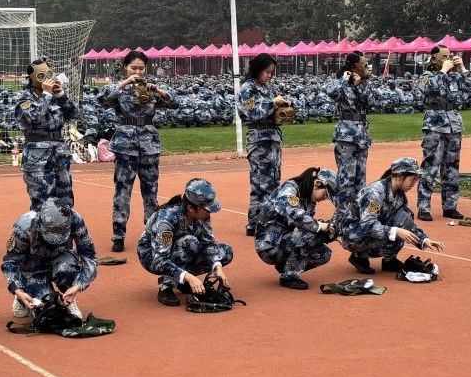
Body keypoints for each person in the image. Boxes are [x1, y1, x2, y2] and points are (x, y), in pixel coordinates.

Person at [98, 50, 180, 252]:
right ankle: (118, 235)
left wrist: (158, 90)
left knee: (150, 192)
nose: (137, 72)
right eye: (133, 68)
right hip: (126, 146)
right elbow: (102, 100)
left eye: (141, 68)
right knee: (122, 191)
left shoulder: (151, 88)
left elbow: (175, 103)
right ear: (125, 68)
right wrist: (125, 83)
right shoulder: (119, 89)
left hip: (149, 145)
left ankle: (151, 232)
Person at [415, 44, 471, 221]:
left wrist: (463, 68)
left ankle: (450, 206)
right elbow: (427, 88)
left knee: (452, 168)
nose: (448, 59)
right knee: (430, 166)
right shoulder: (427, 75)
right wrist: (442, 72)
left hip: (454, 125)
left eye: (449, 56)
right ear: (434, 59)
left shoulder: (455, 77)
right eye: (444, 56)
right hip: (435, 126)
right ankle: (423, 207)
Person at [338, 157, 443, 275]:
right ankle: (358, 257)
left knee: (405, 217)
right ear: (399, 176)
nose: (415, 183)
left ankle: (389, 260)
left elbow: (406, 223)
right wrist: (396, 231)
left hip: (369, 228)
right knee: (395, 231)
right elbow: (367, 224)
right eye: (413, 178)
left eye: (417, 178)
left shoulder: (398, 194)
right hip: (353, 234)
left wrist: (423, 239)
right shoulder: (375, 193)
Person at [138, 178, 233, 307]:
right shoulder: (166, 219)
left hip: (180, 248)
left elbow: (208, 243)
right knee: (189, 242)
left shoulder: (202, 216)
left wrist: (217, 267)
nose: (210, 212)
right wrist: (189, 277)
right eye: (207, 209)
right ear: (190, 208)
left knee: (225, 252)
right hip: (151, 255)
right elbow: (159, 260)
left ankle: (180, 281)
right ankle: (166, 286)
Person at [2, 198, 98, 320]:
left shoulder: (75, 220)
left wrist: (77, 285)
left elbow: (89, 257)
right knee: (46, 312)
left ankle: (68, 298)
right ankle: (23, 296)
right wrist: (18, 290)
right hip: (32, 268)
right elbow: (10, 262)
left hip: (60, 259)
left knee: (69, 268)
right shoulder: (25, 226)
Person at [254, 168, 339, 289]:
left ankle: (286, 266)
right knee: (312, 233)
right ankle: (289, 277)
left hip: (284, 240)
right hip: (269, 246)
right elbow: (293, 213)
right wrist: (320, 226)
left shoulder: (309, 200)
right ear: (317, 183)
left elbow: (306, 224)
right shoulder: (290, 188)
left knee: (324, 254)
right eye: (325, 194)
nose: (324, 198)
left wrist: (330, 232)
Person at [237, 53, 291, 236]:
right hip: (259, 139)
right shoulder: (248, 88)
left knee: (274, 181)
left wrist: (283, 106)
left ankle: (268, 220)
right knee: (261, 184)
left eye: (271, 72)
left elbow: (272, 109)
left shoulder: (267, 87)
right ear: (258, 69)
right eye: (267, 72)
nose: (269, 75)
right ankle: (255, 223)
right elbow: (251, 112)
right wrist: (272, 103)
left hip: (272, 137)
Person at [15, 58, 78, 209]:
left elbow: (74, 115)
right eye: (41, 76)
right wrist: (46, 95)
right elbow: (34, 117)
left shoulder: (56, 97)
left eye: (49, 74)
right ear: (32, 78)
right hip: (38, 157)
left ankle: (64, 225)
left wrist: (61, 95)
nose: (47, 79)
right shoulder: (25, 98)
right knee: (41, 203)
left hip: (59, 154)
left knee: (65, 203)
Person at [326, 52, 372, 218]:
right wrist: (344, 80)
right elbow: (332, 93)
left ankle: (357, 213)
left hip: (361, 135)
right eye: (363, 65)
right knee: (346, 177)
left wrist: (359, 85)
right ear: (353, 67)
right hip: (346, 135)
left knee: (360, 178)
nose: (366, 68)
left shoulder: (364, 83)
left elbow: (371, 101)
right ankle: (342, 215)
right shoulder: (341, 82)